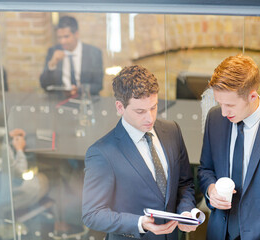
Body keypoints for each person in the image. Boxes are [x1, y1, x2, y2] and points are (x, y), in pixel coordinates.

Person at [82, 65, 197, 240]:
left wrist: (186, 210)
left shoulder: (172, 130)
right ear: (120, 107)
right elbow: (92, 214)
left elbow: (184, 183)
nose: (150, 118)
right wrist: (139, 223)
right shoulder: (101, 153)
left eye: (154, 107)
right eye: (140, 111)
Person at [198, 54, 260, 240]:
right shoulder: (215, 118)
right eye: (220, 103)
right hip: (219, 233)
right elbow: (205, 169)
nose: (224, 112)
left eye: (230, 105)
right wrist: (211, 190)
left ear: (253, 96)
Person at [40, 16, 103, 96]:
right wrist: (52, 64)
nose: (62, 41)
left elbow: (98, 85)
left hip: (84, 98)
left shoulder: (94, 53)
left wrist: (78, 90)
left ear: (76, 34)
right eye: (59, 37)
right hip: (60, 101)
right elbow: (44, 85)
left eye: (66, 36)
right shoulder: (53, 51)